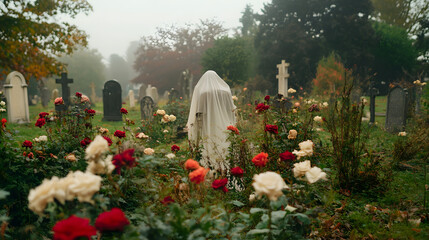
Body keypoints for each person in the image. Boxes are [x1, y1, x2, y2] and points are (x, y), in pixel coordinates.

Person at [186, 70, 236, 173]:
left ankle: (211, 171)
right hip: (225, 125)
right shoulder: (226, 91)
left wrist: (196, 130)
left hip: (208, 125)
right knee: (225, 146)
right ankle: (226, 170)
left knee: (210, 146)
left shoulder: (203, 93)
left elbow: (199, 113)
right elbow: (231, 109)